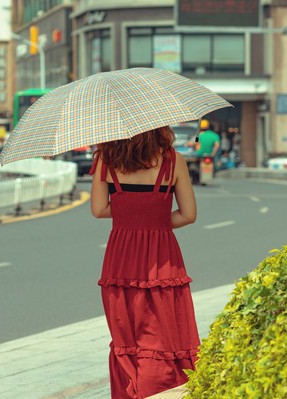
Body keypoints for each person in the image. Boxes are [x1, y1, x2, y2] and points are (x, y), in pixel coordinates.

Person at [89, 125, 200, 399]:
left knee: (128, 337)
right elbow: (188, 215)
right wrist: (155, 221)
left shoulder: (106, 159)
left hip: (121, 258)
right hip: (163, 258)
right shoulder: (173, 160)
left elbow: (99, 209)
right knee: (166, 333)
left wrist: (131, 214)